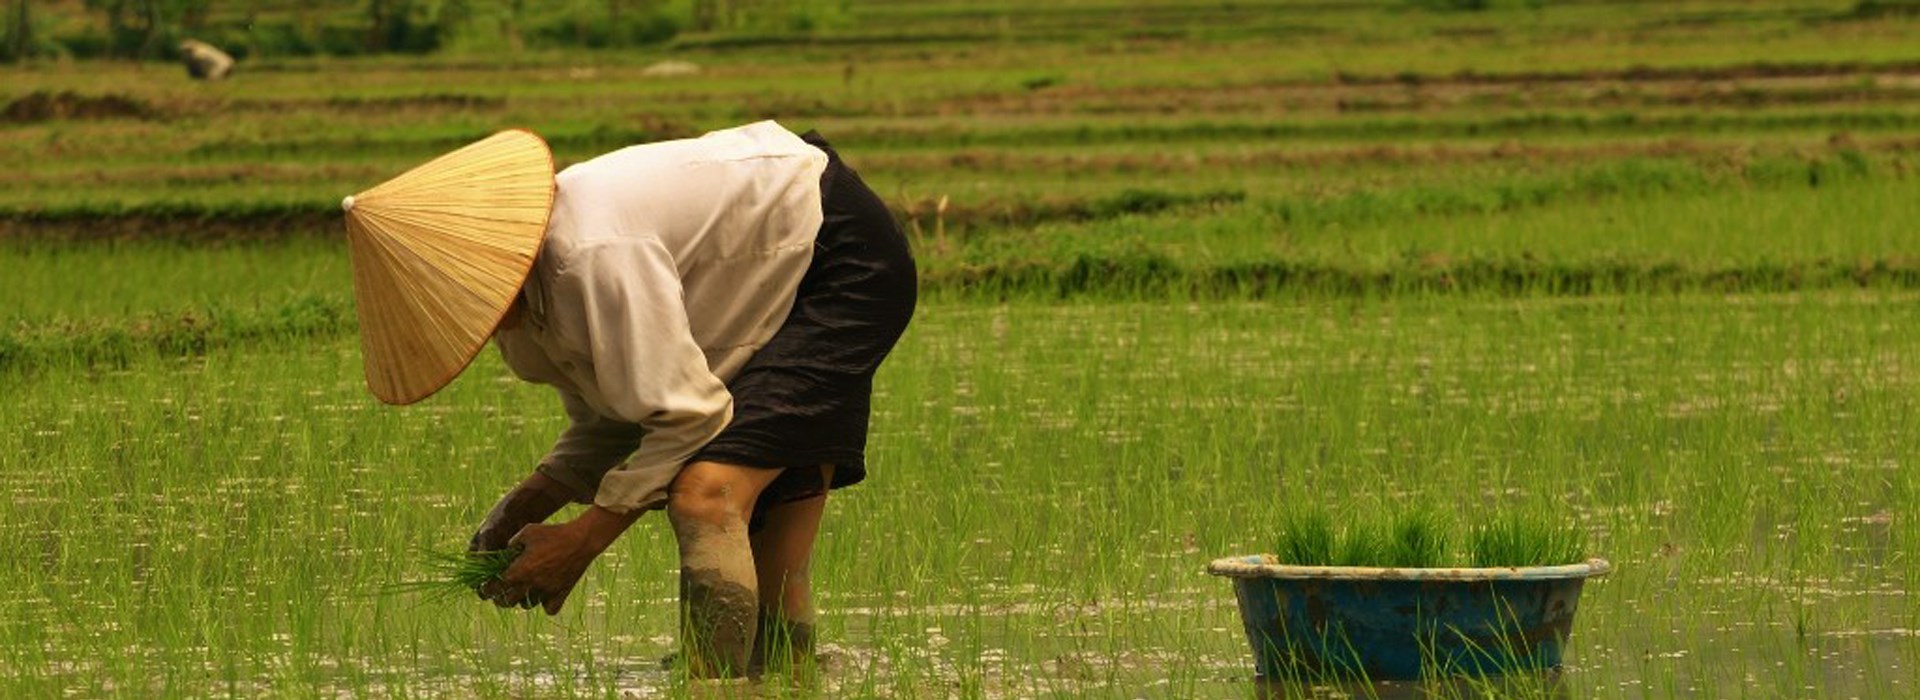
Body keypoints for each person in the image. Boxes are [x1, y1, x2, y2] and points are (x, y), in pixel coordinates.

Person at [338, 121, 916, 678]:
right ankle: (779, 674)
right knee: (771, 551)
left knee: (707, 495)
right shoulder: (524, 322)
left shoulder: (590, 258)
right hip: (764, 277)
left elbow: (689, 413)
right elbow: (620, 412)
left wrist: (582, 539)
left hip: (833, 255)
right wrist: (534, 497)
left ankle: (710, 682)